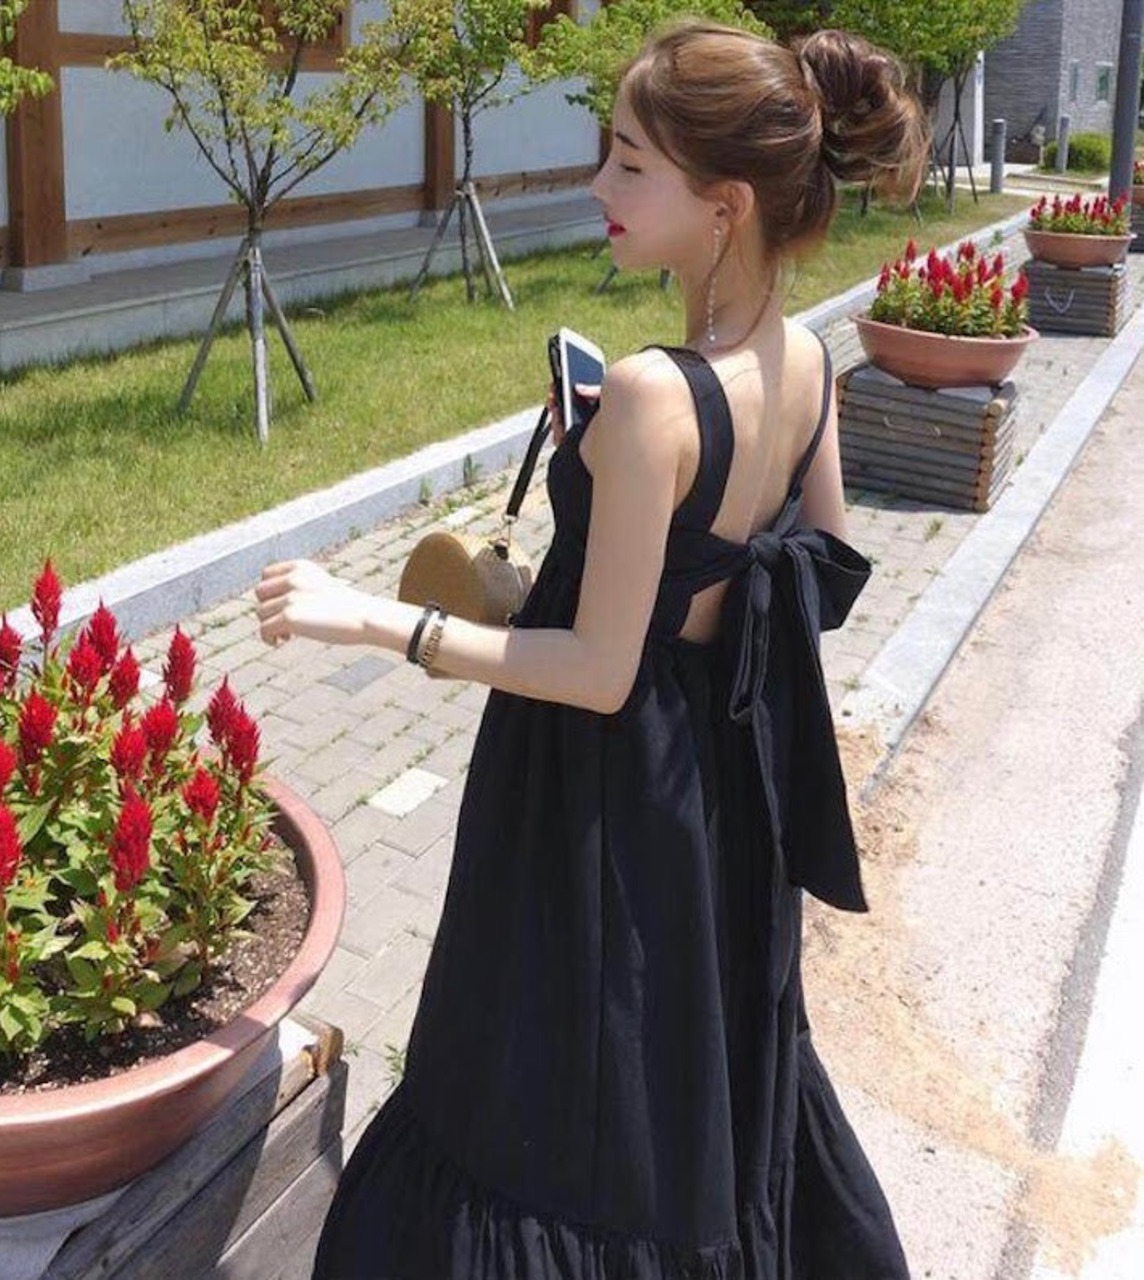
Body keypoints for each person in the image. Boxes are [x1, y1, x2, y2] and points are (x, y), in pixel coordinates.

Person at [255, 18, 928, 1279]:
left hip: (595, 800)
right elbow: (816, 569)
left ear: (723, 204)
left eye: (628, 161)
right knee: (681, 1084)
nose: (595, 185)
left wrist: (377, 619)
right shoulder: (804, 361)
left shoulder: (651, 393)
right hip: (717, 799)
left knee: (543, 1093)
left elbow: (599, 671)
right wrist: (583, 578)